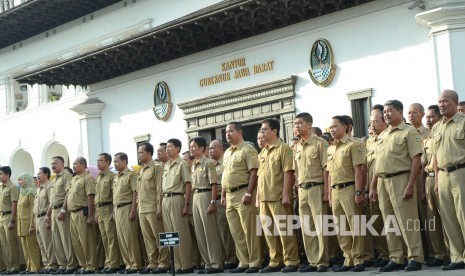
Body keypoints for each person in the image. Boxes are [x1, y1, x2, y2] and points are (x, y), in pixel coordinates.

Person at [370, 100, 424, 272]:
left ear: (400, 112)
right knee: (390, 221)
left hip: (401, 178)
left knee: (408, 221)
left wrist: (410, 185)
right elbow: (378, 164)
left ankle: (415, 257)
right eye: (384, 112)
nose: (386, 114)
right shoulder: (383, 136)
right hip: (383, 182)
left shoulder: (409, 132)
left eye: (389, 111)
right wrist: (372, 186)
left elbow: (416, 160)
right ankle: (396, 257)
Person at [256, 118, 299, 273]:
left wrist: (286, 194)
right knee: (269, 232)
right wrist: (258, 197)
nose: (262, 132)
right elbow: (260, 176)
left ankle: (291, 260)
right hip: (264, 198)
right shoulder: (263, 151)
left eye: (264, 129)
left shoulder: (284, 148)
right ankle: (275, 260)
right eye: (261, 130)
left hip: (278, 196)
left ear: (274, 131)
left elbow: (288, 173)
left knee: (285, 230)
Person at [221, 122, 262, 273]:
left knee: (249, 230)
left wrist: (249, 193)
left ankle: (255, 262)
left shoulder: (248, 150)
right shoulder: (227, 153)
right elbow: (225, 175)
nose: (227, 134)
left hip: (243, 193)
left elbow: (254, 173)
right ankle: (243, 262)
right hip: (230, 195)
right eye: (226, 132)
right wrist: (224, 194)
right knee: (236, 232)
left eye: (231, 131)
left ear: (239, 132)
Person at [326, 116, 366, 272]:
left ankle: (359, 259)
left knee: (355, 225)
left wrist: (358, 191)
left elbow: (359, 171)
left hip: (349, 188)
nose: (332, 130)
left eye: (335, 126)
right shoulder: (330, 148)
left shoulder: (353, 145)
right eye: (330, 127)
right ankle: (347, 259)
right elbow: (329, 174)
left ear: (345, 127)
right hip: (335, 190)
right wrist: (329, 194)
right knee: (341, 226)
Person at [432, 90, 465, 270]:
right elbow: (436, 156)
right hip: (443, 175)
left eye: (445, 101)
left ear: (455, 102)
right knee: (449, 218)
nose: (441, 105)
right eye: (439, 101)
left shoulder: (463, 122)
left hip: (461, 172)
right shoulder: (437, 127)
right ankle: (457, 257)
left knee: (463, 215)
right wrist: (437, 181)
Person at [293, 112, 330, 272]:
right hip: (302, 189)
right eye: (295, 124)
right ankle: (312, 260)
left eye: (299, 123)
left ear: (309, 125)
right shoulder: (297, 147)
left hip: (317, 187)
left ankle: (322, 261)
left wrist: (326, 192)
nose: (296, 126)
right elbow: (295, 170)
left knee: (320, 225)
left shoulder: (320, 143)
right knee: (307, 226)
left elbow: (326, 169)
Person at [190, 137, 224, 273]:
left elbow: (214, 184)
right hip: (195, 196)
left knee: (210, 232)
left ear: (202, 148)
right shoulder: (193, 164)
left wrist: (212, 202)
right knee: (200, 232)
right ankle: (207, 262)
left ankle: (216, 263)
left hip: (206, 195)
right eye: (190, 146)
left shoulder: (209, 163)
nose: (191, 149)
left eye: (194, 146)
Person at [421, 105, 449, 267]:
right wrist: (422, 189)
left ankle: (452, 252)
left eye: (432, 117)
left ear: (439, 118)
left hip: (441, 177)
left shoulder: (441, 135)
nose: (429, 120)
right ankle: (438, 254)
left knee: (447, 218)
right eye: (428, 118)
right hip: (429, 179)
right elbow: (424, 164)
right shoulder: (427, 140)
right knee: (432, 220)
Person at [136, 143, 170, 274]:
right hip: (142, 208)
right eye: (138, 152)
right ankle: (152, 262)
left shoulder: (156, 168)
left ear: (149, 154)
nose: (139, 155)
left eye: (141, 152)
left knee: (159, 236)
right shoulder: (141, 169)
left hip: (153, 207)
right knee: (148, 239)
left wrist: (159, 207)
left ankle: (164, 263)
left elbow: (159, 190)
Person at [162, 139, 193, 273]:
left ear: (178, 149)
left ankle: (186, 264)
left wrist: (186, 204)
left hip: (177, 198)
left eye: (170, 147)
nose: (167, 149)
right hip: (165, 199)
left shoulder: (182, 164)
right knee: (170, 234)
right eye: (166, 147)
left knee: (180, 232)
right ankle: (176, 264)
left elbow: (188, 184)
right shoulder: (166, 165)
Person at [364, 105, 389, 268]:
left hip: (386, 183)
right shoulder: (369, 142)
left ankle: (400, 253)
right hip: (372, 187)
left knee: (391, 221)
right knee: (376, 221)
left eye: (375, 120)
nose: (372, 125)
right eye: (370, 121)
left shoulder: (388, 137)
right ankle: (385, 253)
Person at [209, 139, 237, 269]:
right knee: (216, 232)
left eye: (212, 148)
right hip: (211, 201)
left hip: (222, 200)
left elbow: (226, 182)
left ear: (221, 149)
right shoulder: (210, 165)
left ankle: (231, 258)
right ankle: (223, 257)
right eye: (209, 149)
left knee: (226, 231)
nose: (210, 151)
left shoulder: (225, 163)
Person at [46, 156, 77, 274]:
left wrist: (63, 210)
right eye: (51, 164)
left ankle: (71, 263)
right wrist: (48, 214)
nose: (53, 166)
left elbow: (68, 194)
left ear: (62, 164)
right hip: (54, 210)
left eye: (55, 163)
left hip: (62, 210)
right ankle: (62, 263)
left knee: (65, 238)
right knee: (56, 238)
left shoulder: (66, 176)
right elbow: (52, 199)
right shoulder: (54, 179)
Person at [113, 152, 142, 274]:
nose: (115, 164)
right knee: (121, 239)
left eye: (117, 161)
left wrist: (133, 210)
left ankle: (135, 264)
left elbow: (135, 193)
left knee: (130, 237)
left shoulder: (131, 175)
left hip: (127, 207)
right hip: (117, 209)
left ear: (124, 162)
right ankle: (128, 264)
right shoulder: (116, 177)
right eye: (114, 161)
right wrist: (113, 211)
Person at [68, 157, 97, 274]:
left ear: (83, 165)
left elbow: (90, 197)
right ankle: (83, 265)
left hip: (82, 212)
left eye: (76, 164)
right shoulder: (74, 179)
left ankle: (91, 265)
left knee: (86, 240)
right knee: (76, 242)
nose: (73, 166)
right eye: (73, 164)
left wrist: (90, 216)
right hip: (73, 213)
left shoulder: (88, 178)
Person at [95, 153, 120, 274]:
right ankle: (108, 262)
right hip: (99, 209)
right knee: (104, 238)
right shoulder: (98, 177)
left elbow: (115, 195)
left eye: (101, 160)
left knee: (111, 237)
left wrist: (114, 211)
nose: (98, 162)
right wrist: (96, 213)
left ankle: (114, 263)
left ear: (108, 162)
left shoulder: (112, 176)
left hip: (108, 207)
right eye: (97, 160)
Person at [35, 167, 58, 273]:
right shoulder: (39, 188)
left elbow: (51, 203)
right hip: (37, 218)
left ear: (46, 174)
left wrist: (48, 216)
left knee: (48, 242)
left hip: (45, 216)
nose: (38, 175)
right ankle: (46, 264)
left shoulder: (49, 186)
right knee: (41, 243)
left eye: (40, 173)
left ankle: (52, 264)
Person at [17, 172, 41, 274]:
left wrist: (32, 224)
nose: (19, 182)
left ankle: (36, 267)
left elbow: (33, 210)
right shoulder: (22, 192)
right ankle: (29, 267)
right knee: (25, 247)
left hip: (29, 223)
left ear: (27, 180)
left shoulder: (31, 192)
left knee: (32, 247)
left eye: (21, 179)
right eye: (18, 180)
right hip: (21, 224)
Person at [0, 166, 21, 274]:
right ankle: (8, 266)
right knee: (4, 243)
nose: (0, 176)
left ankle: (15, 266)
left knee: (11, 242)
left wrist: (12, 220)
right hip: (1, 216)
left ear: (7, 175)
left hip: (9, 216)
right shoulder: (1, 187)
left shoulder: (12, 187)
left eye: (1, 174)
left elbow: (14, 204)